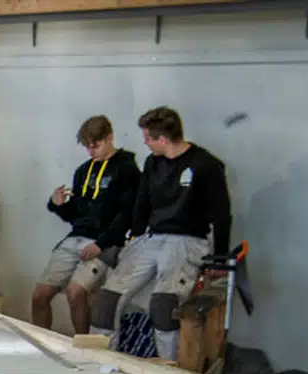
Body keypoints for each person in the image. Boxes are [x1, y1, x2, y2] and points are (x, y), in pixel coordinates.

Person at [92, 106, 232, 359]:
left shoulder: (206, 165)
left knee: (163, 307)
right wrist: (131, 241)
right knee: (106, 302)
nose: (145, 143)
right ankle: (101, 365)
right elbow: (141, 206)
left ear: (163, 139)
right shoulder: (152, 163)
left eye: (148, 138)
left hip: (188, 240)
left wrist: (220, 257)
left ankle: (170, 373)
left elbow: (222, 213)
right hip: (152, 238)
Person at [31, 115, 140, 333]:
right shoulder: (83, 171)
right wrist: (58, 204)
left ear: (110, 137)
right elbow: (76, 214)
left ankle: (82, 346)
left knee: (76, 292)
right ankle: (41, 343)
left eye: (96, 146)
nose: (91, 152)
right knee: (40, 295)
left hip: (105, 242)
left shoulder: (127, 170)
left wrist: (101, 243)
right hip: (76, 237)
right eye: (87, 148)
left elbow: (128, 215)